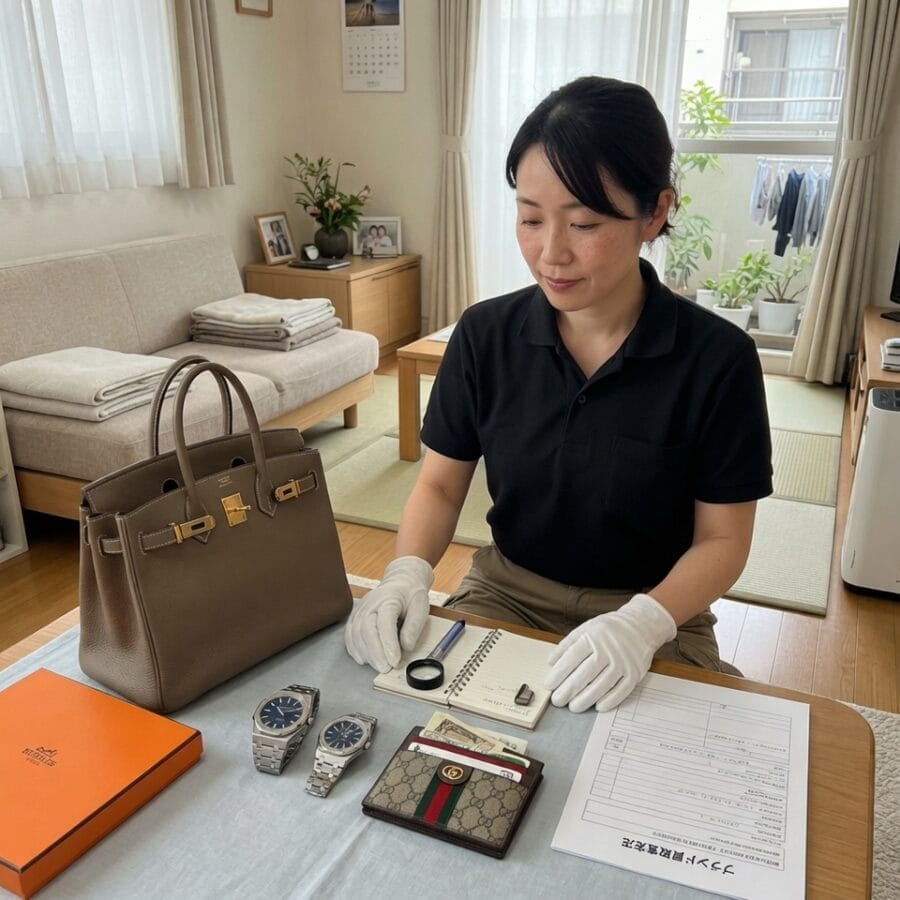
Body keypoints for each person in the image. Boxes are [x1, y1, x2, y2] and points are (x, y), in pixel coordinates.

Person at [344, 76, 772, 713]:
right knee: (413, 717)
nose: (551, 253)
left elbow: (723, 540)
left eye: (583, 223)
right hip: (508, 590)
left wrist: (644, 623)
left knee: (651, 758)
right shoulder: (484, 335)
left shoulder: (718, 360)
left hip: (655, 607)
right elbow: (439, 485)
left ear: (655, 213)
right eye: (530, 218)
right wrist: (405, 574)